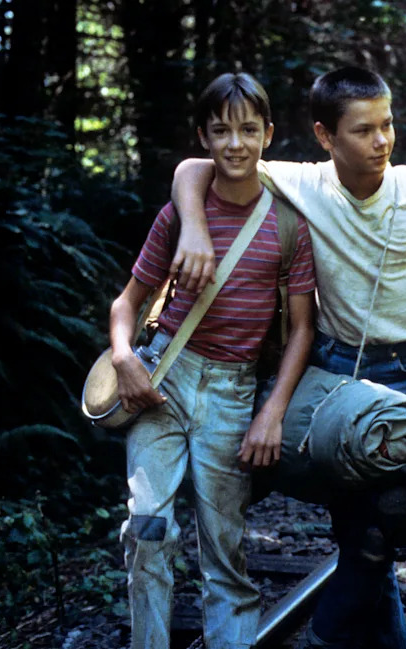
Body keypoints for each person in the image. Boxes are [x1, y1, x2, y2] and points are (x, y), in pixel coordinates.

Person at [169, 66, 406, 649]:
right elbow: (193, 168)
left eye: (387, 125)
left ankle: (327, 640)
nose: (383, 140)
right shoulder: (304, 184)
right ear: (324, 135)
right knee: (360, 530)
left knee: (374, 530)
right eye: (363, 130)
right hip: (335, 373)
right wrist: (193, 229)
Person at [111, 72, 317, 649]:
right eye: (221, 130)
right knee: (147, 530)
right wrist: (125, 356)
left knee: (225, 549)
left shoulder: (287, 224)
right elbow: (126, 303)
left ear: (268, 135)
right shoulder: (181, 214)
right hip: (164, 381)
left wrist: (272, 410)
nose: (235, 143)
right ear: (203, 136)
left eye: (248, 129)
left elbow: (303, 329)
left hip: (232, 393)